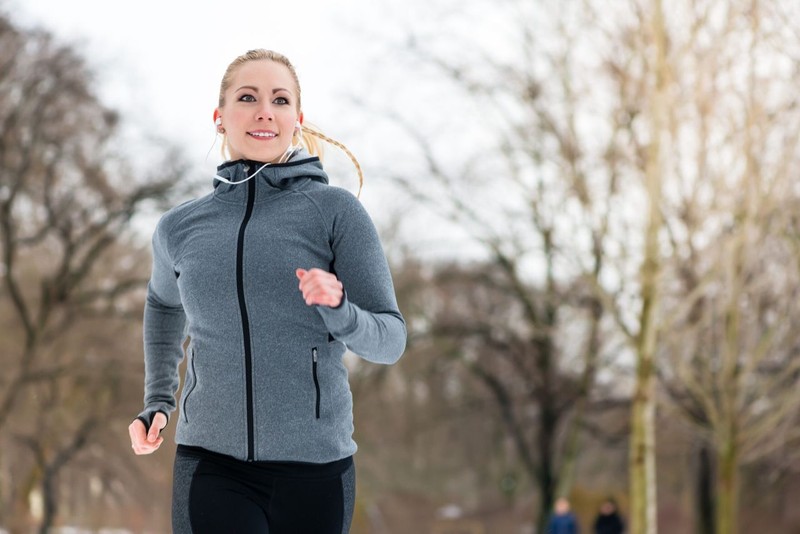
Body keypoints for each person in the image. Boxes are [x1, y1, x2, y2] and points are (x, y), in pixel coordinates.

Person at [127, 49, 406, 533]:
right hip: (211, 463)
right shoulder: (181, 227)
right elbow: (162, 303)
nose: (264, 111)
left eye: (280, 100)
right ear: (220, 117)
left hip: (316, 470)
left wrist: (341, 311)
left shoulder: (334, 213)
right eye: (247, 97)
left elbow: (391, 338)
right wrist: (158, 400)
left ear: (297, 119)